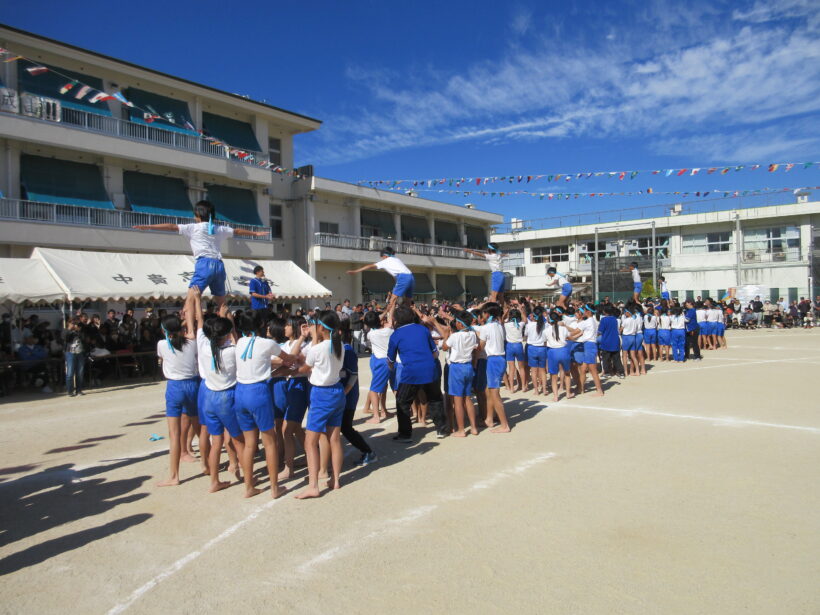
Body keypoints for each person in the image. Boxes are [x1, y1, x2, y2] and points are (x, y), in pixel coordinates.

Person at [134, 200, 267, 329]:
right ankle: (232, 337)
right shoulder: (219, 228)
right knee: (222, 305)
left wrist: (148, 226)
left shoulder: (192, 228)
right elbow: (237, 231)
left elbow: (171, 226)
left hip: (204, 264)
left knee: (190, 301)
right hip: (219, 265)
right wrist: (255, 233)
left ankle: (191, 332)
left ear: (198, 215)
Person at [234, 312, 297, 499]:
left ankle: (249, 486)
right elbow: (288, 359)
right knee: (269, 441)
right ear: (261, 323)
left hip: (240, 392)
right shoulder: (268, 343)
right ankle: (274, 487)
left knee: (249, 444)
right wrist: (299, 346)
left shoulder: (239, 342)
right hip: (258, 392)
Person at [294, 310, 346, 499]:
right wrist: (316, 336)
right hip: (337, 391)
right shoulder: (340, 346)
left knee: (310, 441)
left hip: (322, 394)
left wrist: (285, 372)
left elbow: (305, 367)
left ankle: (313, 485)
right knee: (334, 438)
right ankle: (336, 479)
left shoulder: (318, 349)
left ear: (322, 327)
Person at [197, 312, 246, 493]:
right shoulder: (231, 351)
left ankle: (214, 481)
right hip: (227, 397)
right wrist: (228, 319)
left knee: (215, 441)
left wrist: (196, 303)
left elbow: (200, 327)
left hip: (209, 397)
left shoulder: (203, 346)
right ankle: (248, 479)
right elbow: (237, 341)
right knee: (238, 440)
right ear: (226, 334)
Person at [388, 305, 448, 441]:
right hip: (429, 368)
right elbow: (435, 353)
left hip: (411, 371)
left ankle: (405, 434)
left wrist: (392, 368)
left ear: (397, 319)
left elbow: (391, 359)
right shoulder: (422, 329)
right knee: (435, 398)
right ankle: (441, 429)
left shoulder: (396, 334)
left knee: (402, 401)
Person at [156, 314, 199, 487]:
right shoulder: (192, 343)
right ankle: (209, 467)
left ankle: (174, 475)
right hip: (192, 385)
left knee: (174, 434)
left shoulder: (161, 344)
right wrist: (188, 316)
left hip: (174, 387)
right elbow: (190, 334)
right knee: (201, 429)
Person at [338, 320, 376, 466]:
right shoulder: (341, 349)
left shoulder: (347, 350)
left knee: (345, 427)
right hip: (343, 393)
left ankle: (368, 451)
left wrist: (344, 392)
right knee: (341, 427)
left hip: (348, 395)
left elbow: (353, 375)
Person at [439, 310, 479, 437]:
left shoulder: (455, 336)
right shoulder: (472, 334)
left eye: (456, 322)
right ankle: (473, 427)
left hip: (457, 368)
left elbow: (445, 347)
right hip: (468, 366)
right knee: (467, 398)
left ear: (460, 325)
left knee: (457, 400)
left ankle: (461, 429)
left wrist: (446, 335)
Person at [346, 247, 414, 314]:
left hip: (403, 277)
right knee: (408, 301)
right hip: (411, 277)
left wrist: (356, 271)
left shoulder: (385, 261)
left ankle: (389, 320)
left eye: (382, 257)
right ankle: (409, 317)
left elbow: (370, 266)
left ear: (385, 255)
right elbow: (396, 275)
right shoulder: (397, 259)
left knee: (392, 301)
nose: (382, 258)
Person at [478, 303, 510, 432]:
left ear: (487, 314)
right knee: (491, 390)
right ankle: (489, 419)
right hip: (500, 359)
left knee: (495, 393)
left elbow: (480, 347)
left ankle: (504, 425)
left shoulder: (486, 328)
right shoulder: (500, 326)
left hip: (493, 360)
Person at [363, 310, 393, 424]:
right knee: (381, 387)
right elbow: (390, 319)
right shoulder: (389, 330)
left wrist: (386, 311)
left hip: (378, 361)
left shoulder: (371, 334)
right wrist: (390, 308)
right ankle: (382, 411)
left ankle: (377, 415)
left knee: (374, 389)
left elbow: (376, 321)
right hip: (387, 361)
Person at [568, 304, 604, 396]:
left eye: (584, 310)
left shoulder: (588, 321)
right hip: (589, 345)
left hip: (590, 346)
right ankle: (580, 388)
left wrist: (562, 330)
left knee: (593, 370)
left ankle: (599, 390)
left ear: (588, 312)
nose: (582, 312)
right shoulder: (592, 320)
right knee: (583, 370)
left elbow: (575, 331)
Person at [545, 309, 573, 401]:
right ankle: (568, 393)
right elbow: (569, 336)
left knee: (553, 376)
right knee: (567, 373)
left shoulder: (546, 330)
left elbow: (545, 341)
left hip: (552, 352)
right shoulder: (563, 328)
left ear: (549, 320)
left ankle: (556, 396)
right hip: (564, 350)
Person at [525, 307, 548, 395]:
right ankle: (544, 389)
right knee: (543, 370)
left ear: (533, 316)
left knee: (533, 371)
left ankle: (536, 390)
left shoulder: (529, 325)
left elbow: (526, 334)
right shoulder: (545, 324)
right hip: (542, 348)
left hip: (532, 348)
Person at [504, 307, 527, 392]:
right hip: (518, 346)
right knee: (521, 368)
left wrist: (506, 312)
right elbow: (525, 320)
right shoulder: (520, 324)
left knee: (511, 368)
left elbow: (502, 320)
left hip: (509, 346)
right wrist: (521, 311)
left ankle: (512, 388)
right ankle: (524, 386)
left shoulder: (507, 324)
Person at [598, 305, 625, 378]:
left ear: (605, 311)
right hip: (615, 340)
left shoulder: (603, 319)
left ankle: (607, 373)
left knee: (606, 358)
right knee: (617, 358)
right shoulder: (615, 319)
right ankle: (621, 372)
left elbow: (600, 331)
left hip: (606, 341)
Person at [64, 317, 87, 397]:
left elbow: (84, 339)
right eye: (73, 323)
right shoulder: (65, 331)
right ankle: (70, 391)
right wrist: (71, 330)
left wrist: (78, 331)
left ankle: (79, 390)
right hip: (70, 353)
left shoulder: (79, 332)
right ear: (69, 323)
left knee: (80, 373)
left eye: (75, 323)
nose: (75, 325)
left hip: (80, 353)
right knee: (70, 373)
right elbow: (66, 338)